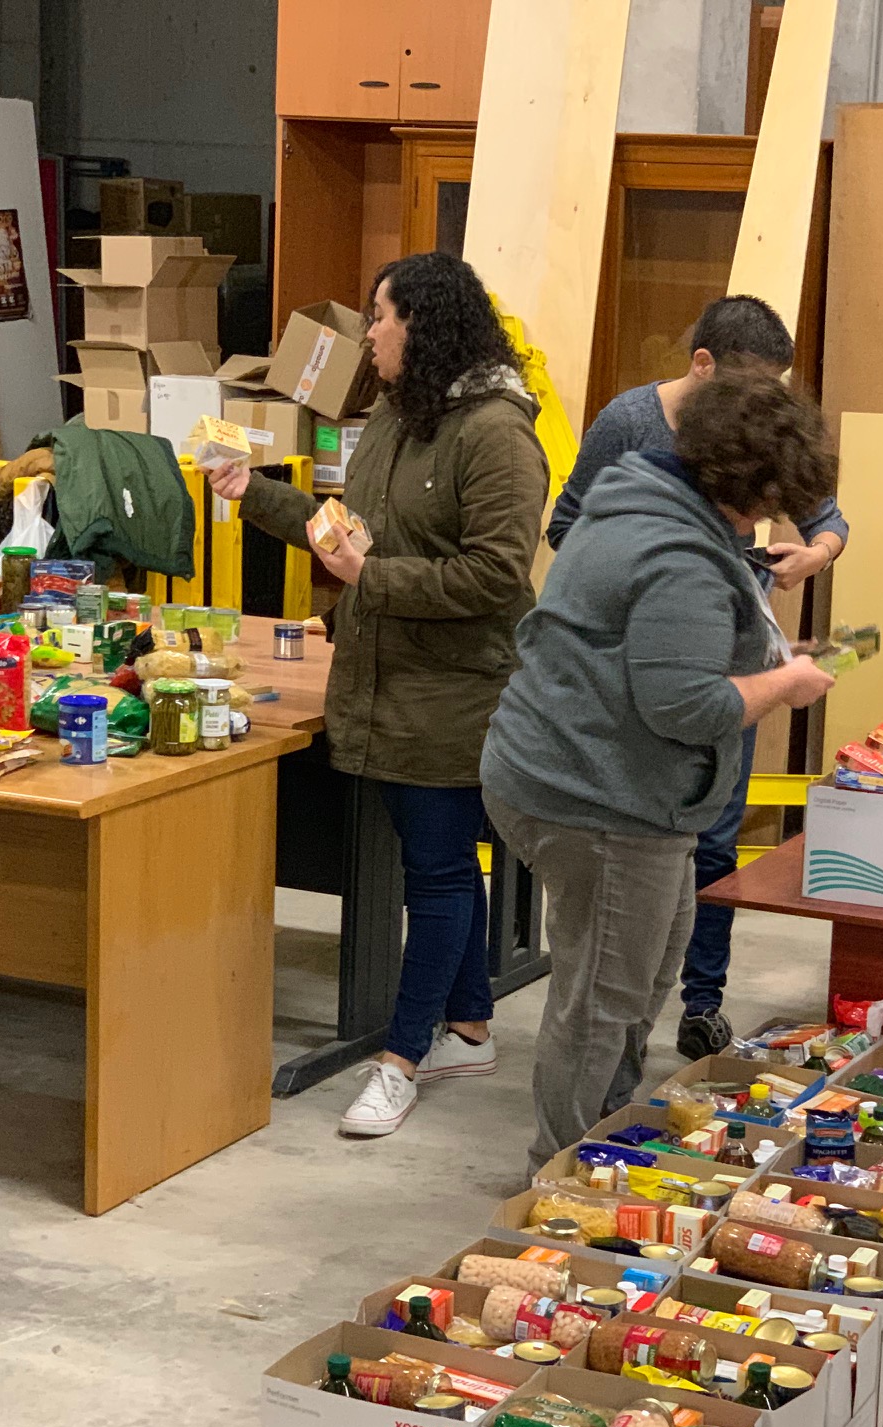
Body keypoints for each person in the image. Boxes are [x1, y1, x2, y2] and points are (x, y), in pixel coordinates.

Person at [207, 251, 548, 1140]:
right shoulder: (399, 415)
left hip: (453, 694)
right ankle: (468, 1029)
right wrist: (256, 495)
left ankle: (401, 1060)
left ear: (425, 325)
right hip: (383, 680)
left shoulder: (498, 434)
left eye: (383, 317)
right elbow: (345, 535)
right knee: (440, 864)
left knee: (434, 875)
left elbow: (497, 575)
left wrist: (374, 578)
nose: (371, 334)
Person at [482, 372, 838, 1170]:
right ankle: (560, 1172)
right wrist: (786, 683)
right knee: (602, 997)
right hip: (600, 795)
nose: (775, 518)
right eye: (775, 501)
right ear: (750, 487)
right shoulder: (681, 556)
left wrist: (767, 658)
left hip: (586, 775)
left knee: (644, 966)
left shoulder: (641, 497)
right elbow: (685, 706)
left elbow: (664, 654)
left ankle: (606, 1131)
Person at [546, 295, 847, 1060]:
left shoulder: (757, 429)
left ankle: (701, 1002)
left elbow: (828, 520)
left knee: (713, 843)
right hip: (641, 666)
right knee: (642, 846)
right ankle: (611, 1030)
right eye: (750, 383)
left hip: (729, 653)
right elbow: (566, 525)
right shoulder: (628, 423)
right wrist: (657, 568)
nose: (760, 402)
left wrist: (814, 554)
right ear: (703, 365)